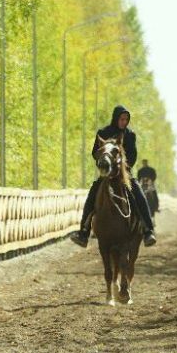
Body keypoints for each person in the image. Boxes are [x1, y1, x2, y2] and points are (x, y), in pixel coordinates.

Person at [69, 105, 158, 248]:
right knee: (93, 193)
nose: (124, 122)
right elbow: (94, 152)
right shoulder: (103, 132)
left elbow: (133, 156)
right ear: (116, 118)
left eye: (126, 119)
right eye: (122, 119)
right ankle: (83, 232)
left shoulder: (130, 135)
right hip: (106, 173)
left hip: (124, 173)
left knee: (138, 193)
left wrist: (123, 167)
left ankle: (148, 230)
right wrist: (104, 161)